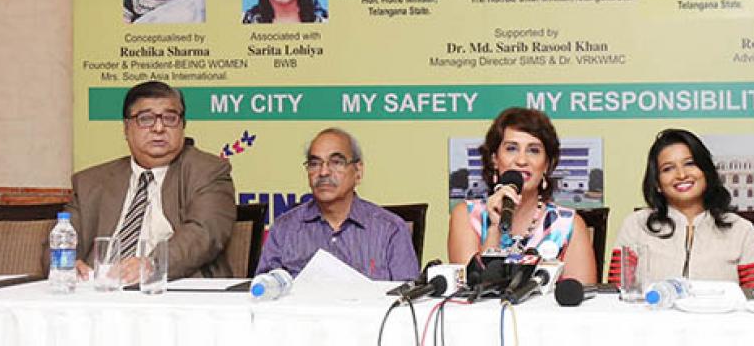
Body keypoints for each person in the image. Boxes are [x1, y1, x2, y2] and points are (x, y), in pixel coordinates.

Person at [67, 80, 235, 283]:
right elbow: (59, 240)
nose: (158, 127)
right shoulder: (90, 183)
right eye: (145, 119)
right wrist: (67, 264)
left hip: (173, 290)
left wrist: (152, 265)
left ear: (183, 125)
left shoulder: (208, 171)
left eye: (170, 118)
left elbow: (203, 234)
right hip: (98, 292)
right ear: (126, 128)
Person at [447, 107, 597, 284]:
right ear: (495, 158)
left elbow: (580, 299)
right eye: (511, 148)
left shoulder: (568, 225)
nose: (521, 160)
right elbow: (472, 290)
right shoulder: (466, 215)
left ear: (547, 164)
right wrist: (495, 226)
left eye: (533, 150)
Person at [608, 129, 754, 288]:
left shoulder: (740, 229)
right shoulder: (635, 225)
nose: (681, 175)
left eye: (689, 163)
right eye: (668, 169)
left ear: (706, 172)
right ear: (657, 183)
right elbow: (618, 293)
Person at [255, 128, 419, 280]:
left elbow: (409, 302)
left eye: (336, 162)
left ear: (358, 171)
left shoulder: (390, 229)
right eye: (314, 164)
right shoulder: (284, 229)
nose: (324, 172)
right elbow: (264, 293)